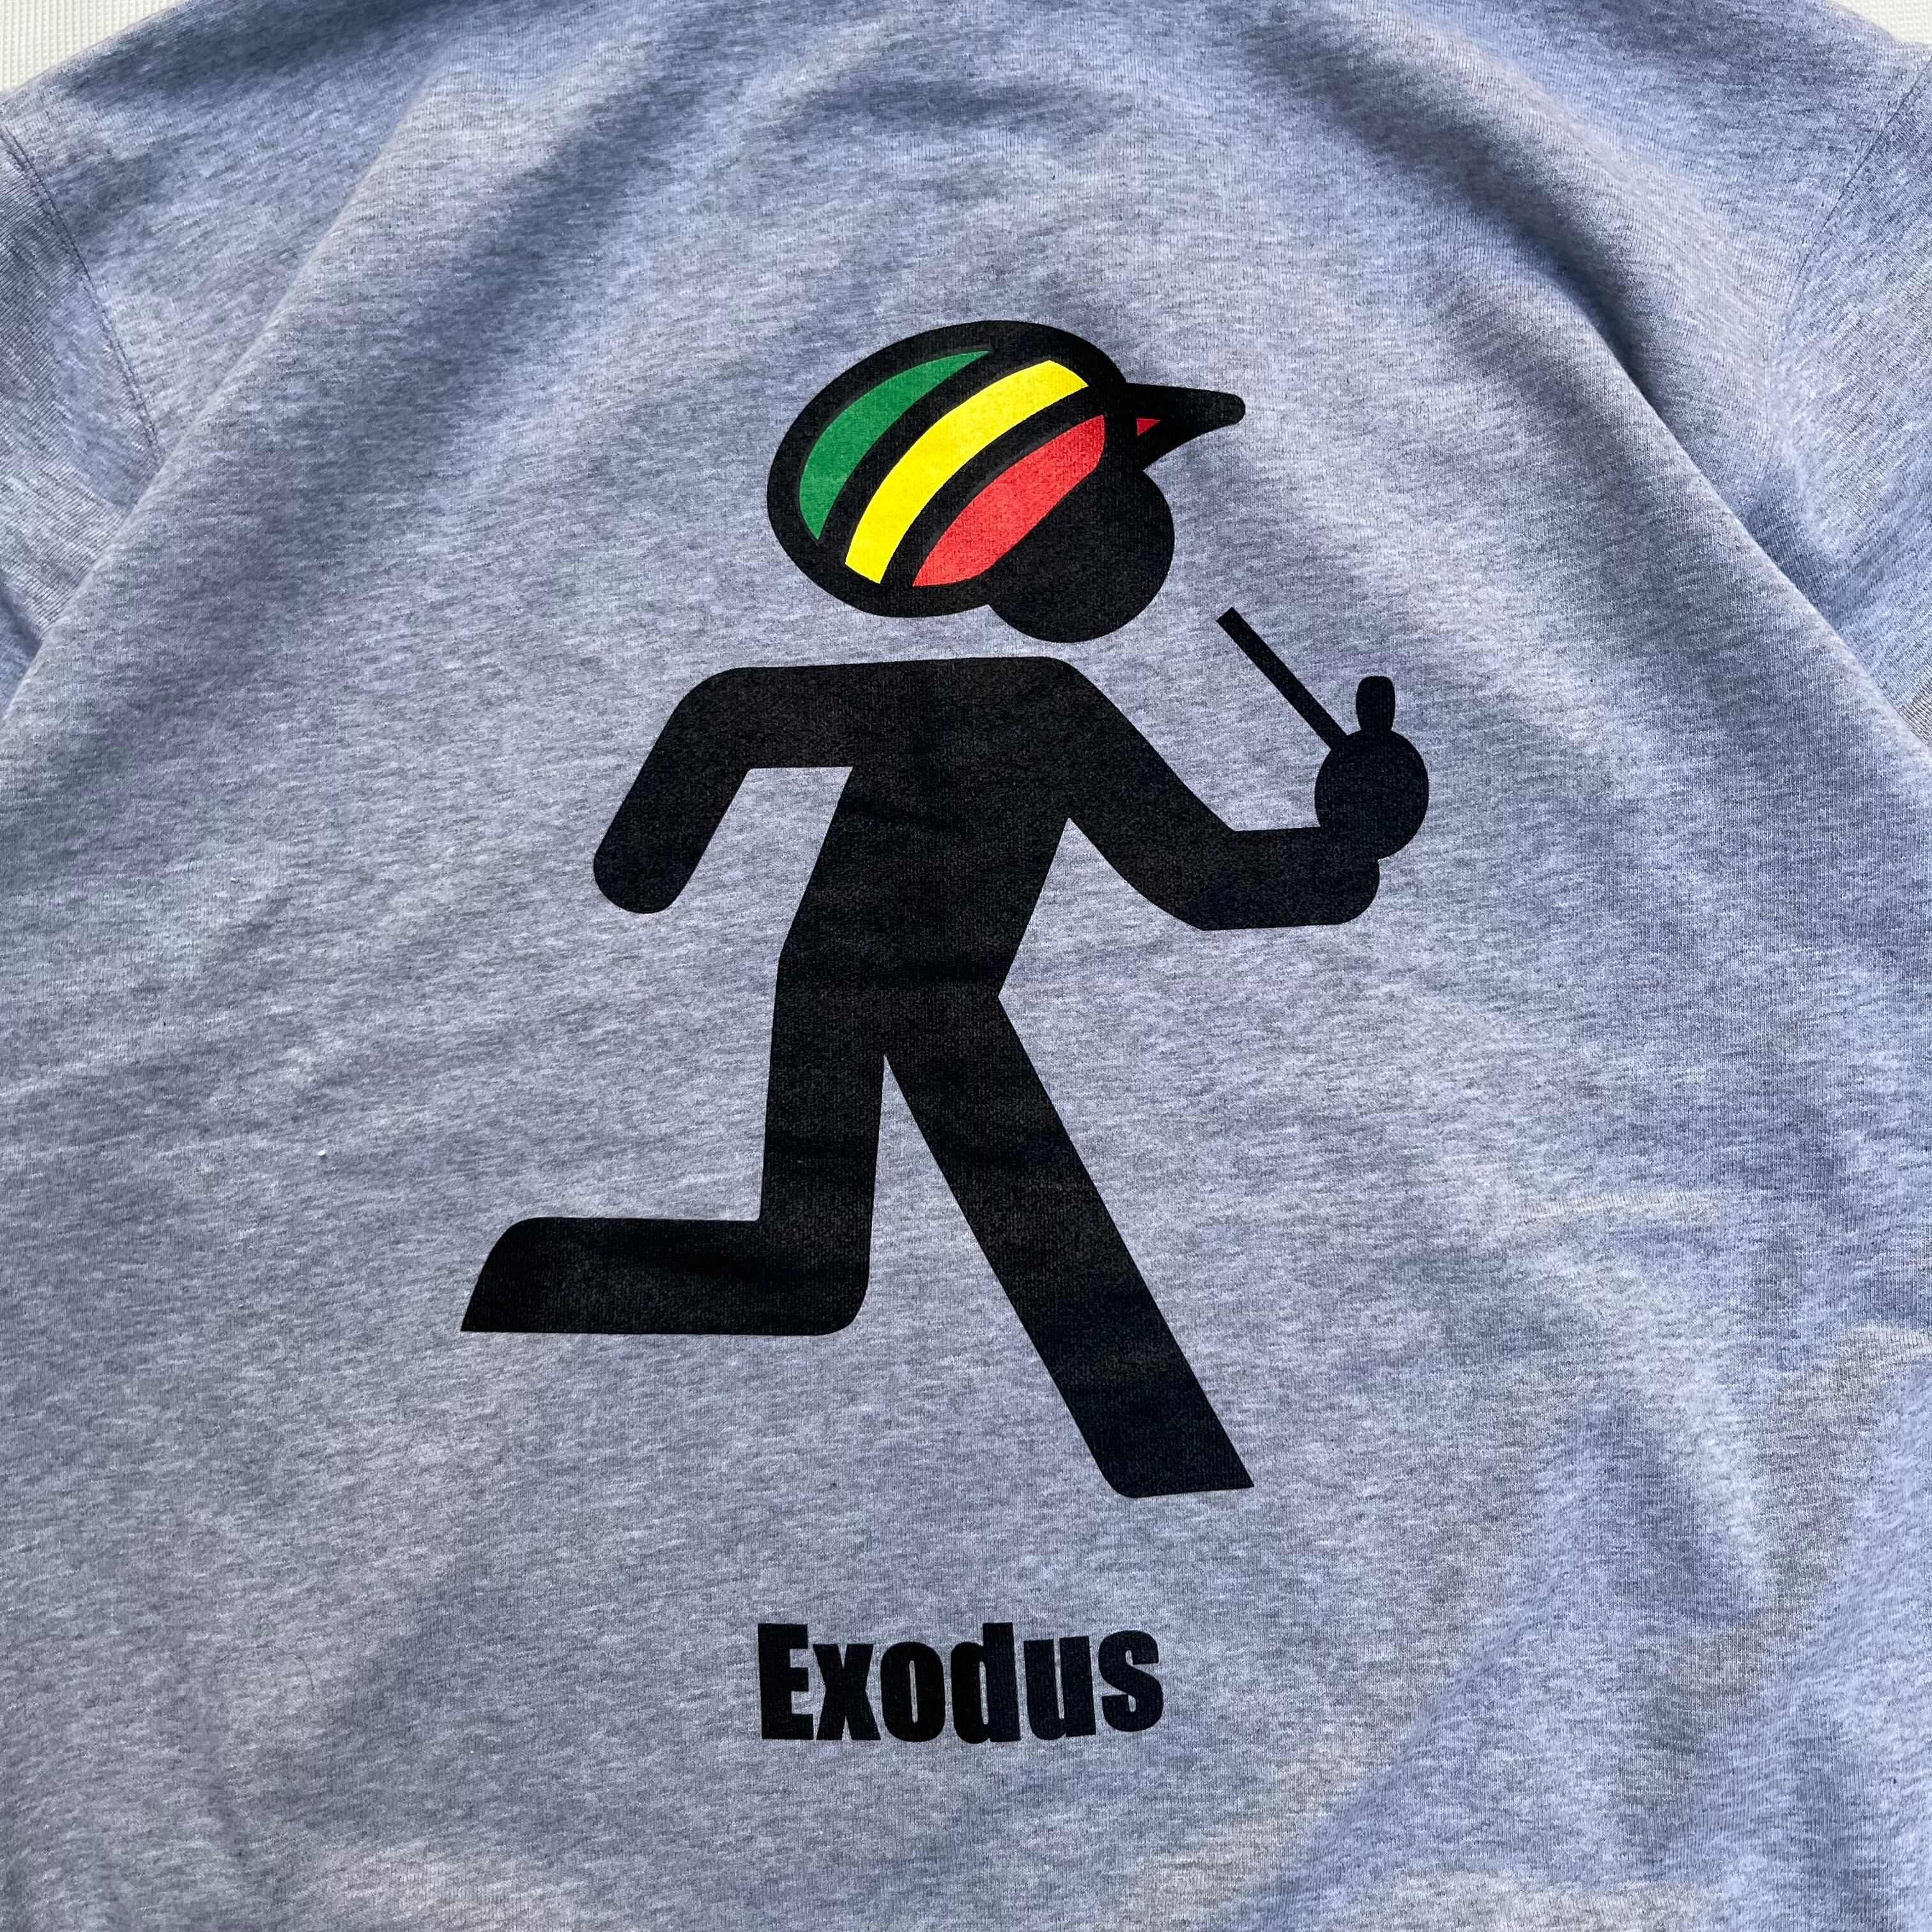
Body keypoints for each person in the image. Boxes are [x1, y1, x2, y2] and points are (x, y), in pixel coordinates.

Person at [463, 323, 1430, 1498]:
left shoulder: (1032, 703)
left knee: (812, 1269)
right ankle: (1166, 1464)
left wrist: (648, 865)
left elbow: (733, 715)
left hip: (885, 991)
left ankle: (531, 1275)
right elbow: (1201, 878)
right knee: (892, 1272)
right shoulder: (1034, 704)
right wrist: (1352, 850)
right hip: (894, 995)